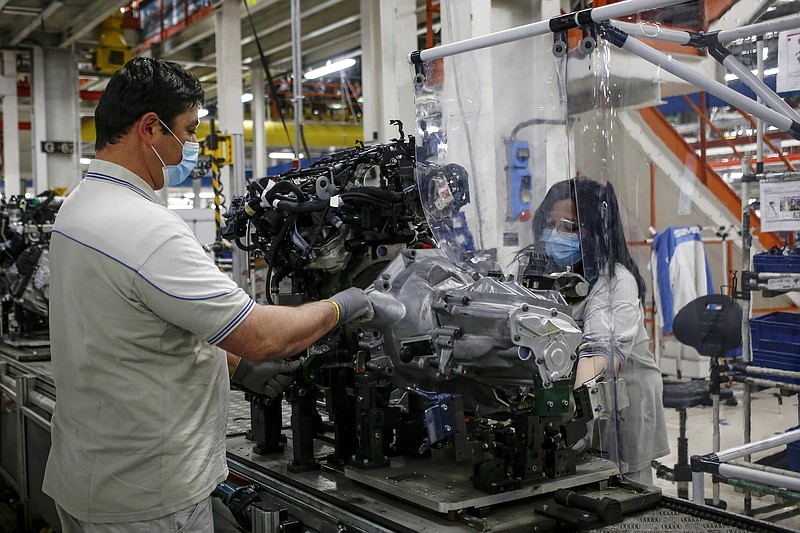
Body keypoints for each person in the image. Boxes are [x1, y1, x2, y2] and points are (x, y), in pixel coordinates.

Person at [42, 57, 372, 532]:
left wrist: (234, 365)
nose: (192, 146)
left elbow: (133, 327)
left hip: (88, 475)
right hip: (149, 500)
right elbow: (260, 335)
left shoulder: (78, 208)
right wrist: (348, 303)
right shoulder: (147, 230)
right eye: (189, 130)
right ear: (150, 128)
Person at [532, 176, 669, 486]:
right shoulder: (545, 272)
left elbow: (599, 357)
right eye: (550, 224)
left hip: (624, 399)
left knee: (624, 490)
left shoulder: (616, 281)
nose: (556, 235)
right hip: (577, 396)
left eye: (569, 227)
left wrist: (563, 418)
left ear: (596, 232)